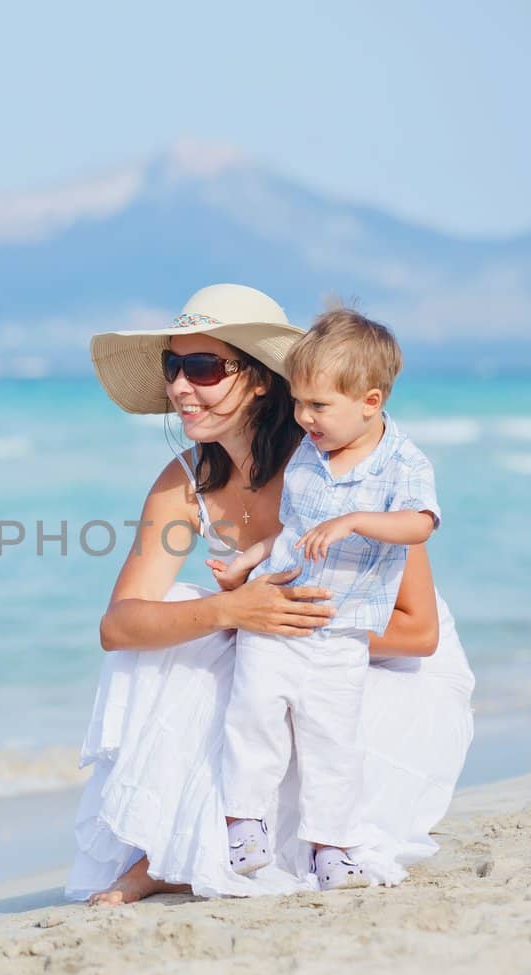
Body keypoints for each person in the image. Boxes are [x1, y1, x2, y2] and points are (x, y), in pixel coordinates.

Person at [66, 283, 474, 903]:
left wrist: (286, 622)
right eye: (173, 367)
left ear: (260, 380)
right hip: (273, 659)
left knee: (241, 658)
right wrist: (230, 611)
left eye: (202, 367)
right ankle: (165, 853)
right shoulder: (186, 484)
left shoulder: (341, 464)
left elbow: (420, 632)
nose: (180, 387)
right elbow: (117, 625)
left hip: (381, 663)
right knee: (185, 619)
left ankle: (185, 856)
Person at [210, 308, 440, 889]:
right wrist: (248, 558)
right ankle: (245, 821)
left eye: (317, 406)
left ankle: (332, 849)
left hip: (340, 634)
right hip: (279, 618)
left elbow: (420, 524)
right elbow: (291, 532)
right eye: (297, 403)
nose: (302, 417)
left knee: (332, 742)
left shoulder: (403, 463)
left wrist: (359, 520)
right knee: (253, 714)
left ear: (369, 401)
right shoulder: (308, 456)